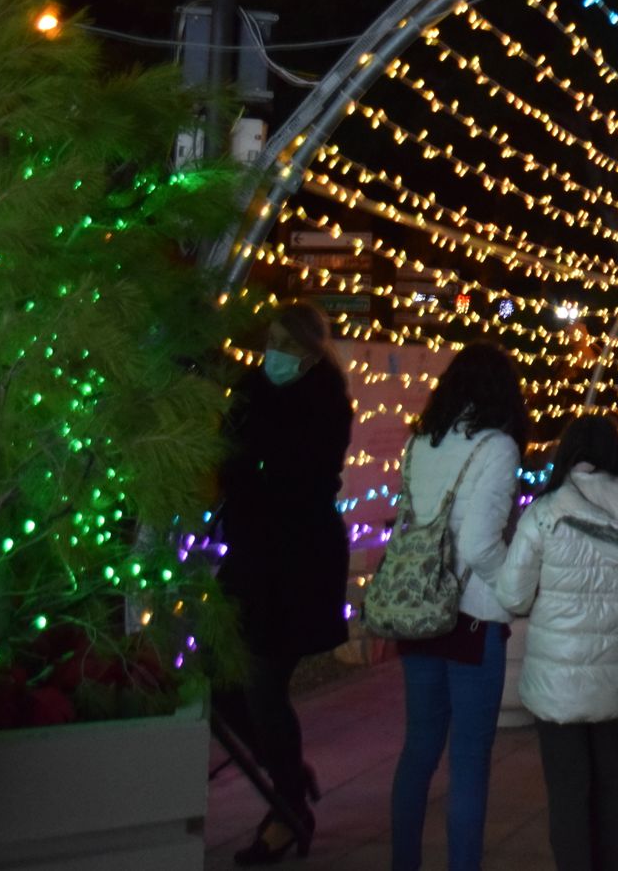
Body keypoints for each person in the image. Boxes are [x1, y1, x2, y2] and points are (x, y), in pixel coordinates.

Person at [496, 415, 618, 871]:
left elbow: (512, 594)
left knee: (567, 792)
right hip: (616, 678)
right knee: (610, 786)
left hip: (556, 681)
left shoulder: (547, 511)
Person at [215, 303, 353, 864]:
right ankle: (290, 777)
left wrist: (254, 469)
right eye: (268, 339)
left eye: (284, 343)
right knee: (223, 688)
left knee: (265, 686)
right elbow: (231, 464)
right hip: (250, 561)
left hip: (299, 566)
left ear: (308, 349)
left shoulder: (325, 401)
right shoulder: (250, 392)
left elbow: (299, 476)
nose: (272, 353)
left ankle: (287, 814)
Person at [389, 343, 527, 871]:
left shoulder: (422, 441)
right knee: (468, 763)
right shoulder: (497, 447)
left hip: (418, 608)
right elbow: (478, 544)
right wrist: (513, 589)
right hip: (471, 618)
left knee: (419, 749)